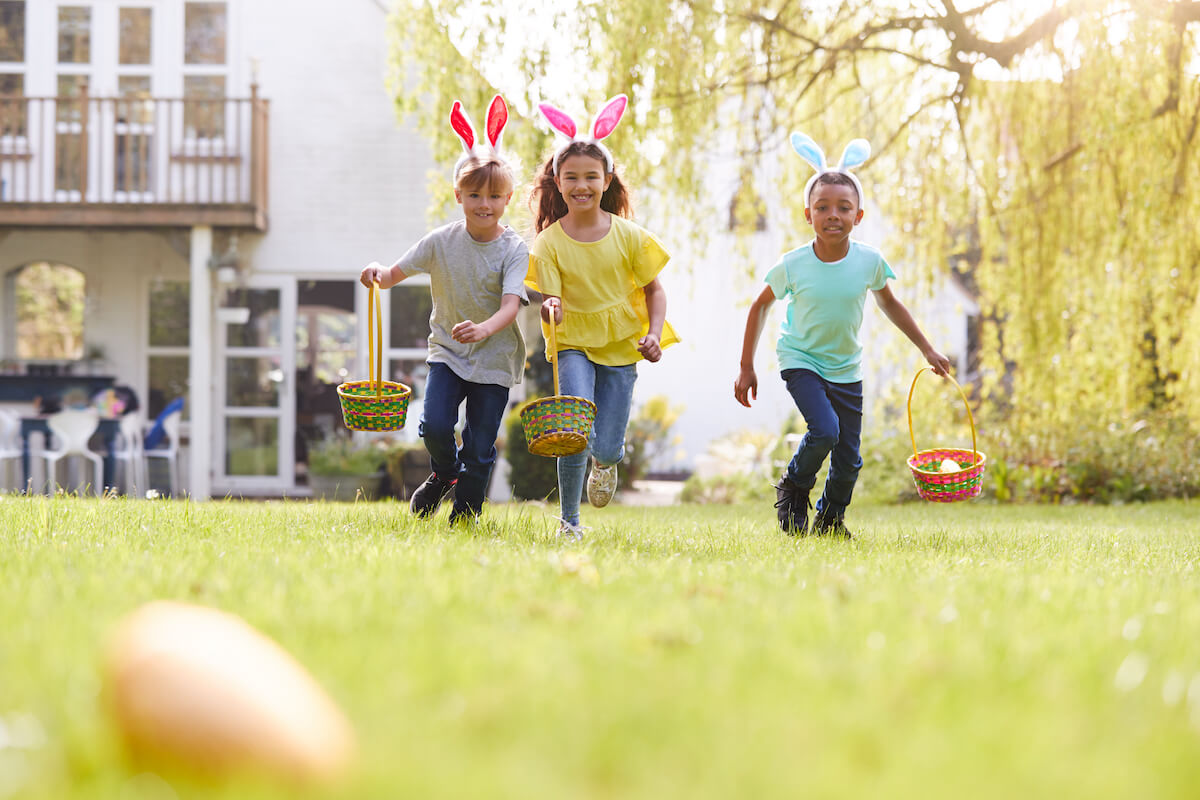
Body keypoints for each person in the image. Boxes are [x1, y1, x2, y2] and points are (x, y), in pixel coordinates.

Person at [734, 132, 952, 538]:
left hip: (846, 367)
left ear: (859, 215)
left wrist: (927, 348)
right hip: (801, 360)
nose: (833, 214)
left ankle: (831, 521)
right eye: (823, 207)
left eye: (843, 207)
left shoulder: (869, 261)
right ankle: (795, 488)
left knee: (849, 459)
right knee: (826, 431)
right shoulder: (793, 264)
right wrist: (747, 367)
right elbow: (760, 305)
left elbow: (890, 304)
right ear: (808, 214)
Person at [360, 95, 528, 525]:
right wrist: (379, 272)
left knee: (480, 444)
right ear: (458, 194)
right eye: (474, 194)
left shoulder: (513, 250)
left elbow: (512, 305)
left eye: (493, 195)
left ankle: (465, 514)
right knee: (435, 425)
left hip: (493, 358)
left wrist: (485, 329)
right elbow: (397, 271)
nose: (483, 204)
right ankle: (443, 474)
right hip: (448, 353)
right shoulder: (440, 241)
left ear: (507, 197)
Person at [526, 94, 679, 537]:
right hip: (573, 340)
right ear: (557, 181)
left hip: (620, 344)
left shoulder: (630, 236)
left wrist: (653, 334)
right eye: (571, 177)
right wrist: (550, 304)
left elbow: (655, 290)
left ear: (607, 179)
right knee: (573, 429)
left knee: (607, 443)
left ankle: (607, 461)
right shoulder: (549, 243)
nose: (581, 186)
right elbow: (550, 297)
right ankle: (569, 523)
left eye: (591, 176)